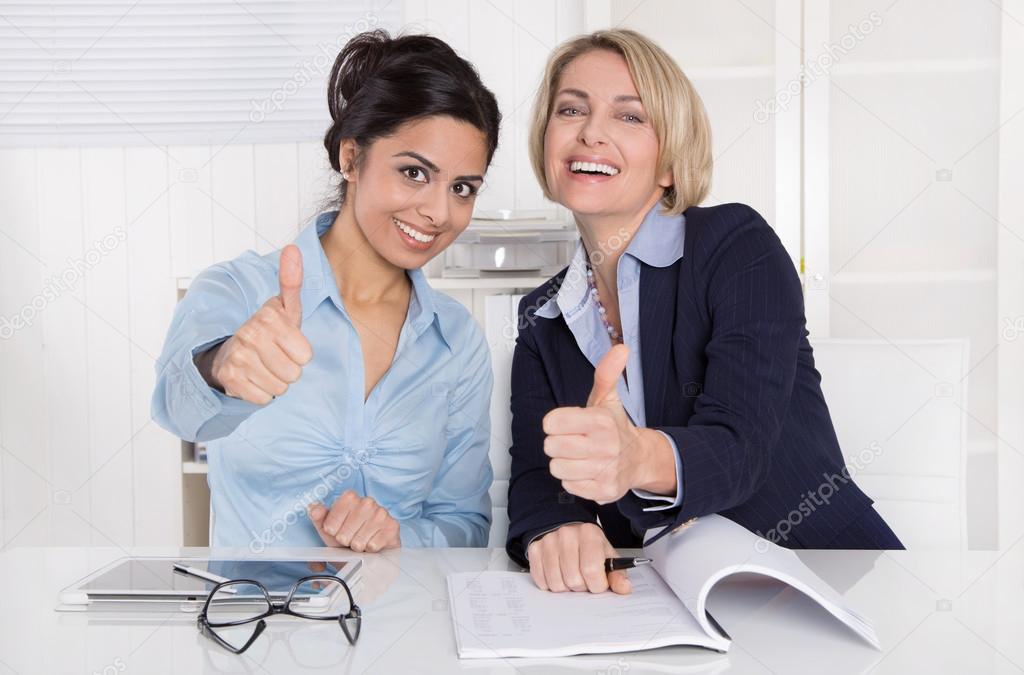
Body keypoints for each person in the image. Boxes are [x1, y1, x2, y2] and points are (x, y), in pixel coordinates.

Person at [506, 29, 903, 594]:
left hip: (828, 578)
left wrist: (634, 455)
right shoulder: (542, 317)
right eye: (571, 109)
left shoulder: (736, 247)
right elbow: (535, 478)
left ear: (669, 165)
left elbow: (742, 449)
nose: (591, 131)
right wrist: (561, 523)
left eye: (630, 117)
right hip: (666, 596)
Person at [152, 30, 501, 552]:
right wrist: (222, 367)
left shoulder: (457, 340)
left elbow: (465, 522)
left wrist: (398, 537)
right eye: (413, 172)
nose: (439, 212)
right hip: (256, 622)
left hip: (404, 621)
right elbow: (175, 409)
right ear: (351, 158)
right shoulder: (236, 290)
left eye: (462, 188)